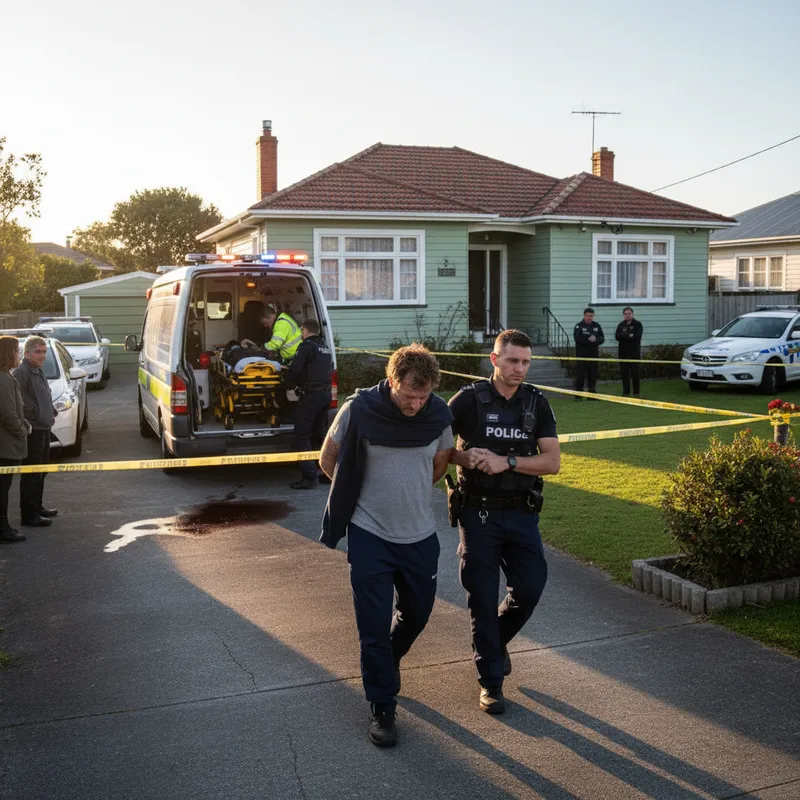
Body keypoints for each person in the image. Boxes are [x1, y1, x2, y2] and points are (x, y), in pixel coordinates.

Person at [318, 344, 453, 748]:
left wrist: (409, 493)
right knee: (373, 625)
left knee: (418, 612)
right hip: (369, 534)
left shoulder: (438, 414)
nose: (416, 404)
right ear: (392, 381)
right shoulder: (358, 410)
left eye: (423, 396)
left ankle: (388, 659)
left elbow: (441, 461)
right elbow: (328, 459)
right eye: (410, 394)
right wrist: (357, 497)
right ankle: (382, 705)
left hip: (419, 534)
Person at [448, 329, 560, 714]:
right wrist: (462, 457)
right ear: (494, 359)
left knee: (530, 587)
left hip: (520, 512)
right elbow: (436, 444)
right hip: (478, 512)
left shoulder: (536, 402)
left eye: (526, 362)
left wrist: (507, 462)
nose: (520, 369)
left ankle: (492, 645)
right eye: (513, 360)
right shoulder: (468, 399)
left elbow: (552, 462)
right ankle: (491, 682)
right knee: (482, 597)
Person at [14, 336, 58, 527]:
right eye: (38, 352)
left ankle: (37, 507)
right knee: (32, 473)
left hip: (44, 428)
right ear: (27, 353)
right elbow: (15, 401)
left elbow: (44, 396)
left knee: (42, 471)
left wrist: (51, 412)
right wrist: (30, 418)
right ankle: (29, 514)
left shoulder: (38, 371)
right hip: (33, 431)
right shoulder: (22, 372)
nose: (42, 355)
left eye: (44, 352)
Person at [284, 319, 333, 490]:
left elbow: (294, 370)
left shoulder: (306, 347)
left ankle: (309, 477)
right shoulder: (325, 347)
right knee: (321, 434)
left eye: (302, 331)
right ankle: (329, 473)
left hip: (311, 396)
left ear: (305, 330)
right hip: (326, 395)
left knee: (302, 435)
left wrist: (288, 384)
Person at [0, 336, 29, 543]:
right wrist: (21, 431)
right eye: (17, 351)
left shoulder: (7, 378)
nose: (18, 355)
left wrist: (23, 423)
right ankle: (3, 529)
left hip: (7, 443)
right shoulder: (3, 380)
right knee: (2, 489)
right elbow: (8, 414)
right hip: (5, 446)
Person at [573, 307, 604, 400]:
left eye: (591, 316)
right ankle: (578, 395)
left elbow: (602, 338)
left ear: (593, 316)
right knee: (580, 376)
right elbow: (577, 338)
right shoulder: (579, 326)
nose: (589, 317)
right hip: (581, 356)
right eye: (587, 316)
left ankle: (592, 395)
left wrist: (595, 340)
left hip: (593, 355)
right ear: (584, 316)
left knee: (592, 375)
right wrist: (588, 339)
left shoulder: (597, 326)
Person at [615, 306, 644, 397]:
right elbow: (617, 336)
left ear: (632, 314)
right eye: (625, 314)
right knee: (624, 374)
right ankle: (626, 392)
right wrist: (629, 335)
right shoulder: (621, 325)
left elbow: (637, 337)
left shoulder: (637, 324)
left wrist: (624, 335)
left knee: (635, 374)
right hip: (623, 353)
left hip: (634, 353)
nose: (627, 315)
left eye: (629, 313)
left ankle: (636, 393)